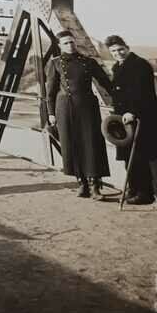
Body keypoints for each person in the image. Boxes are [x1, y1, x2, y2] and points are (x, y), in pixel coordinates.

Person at [46, 30, 113, 197]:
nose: (70, 45)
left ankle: (95, 185)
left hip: (87, 107)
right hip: (64, 108)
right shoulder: (55, 63)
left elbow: (106, 83)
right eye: (66, 43)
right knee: (71, 144)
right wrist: (51, 113)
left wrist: (123, 100)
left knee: (92, 144)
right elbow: (50, 92)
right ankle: (81, 182)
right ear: (60, 46)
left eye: (72, 42)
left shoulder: (88, 62)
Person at [106, 34, 157, 205]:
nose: (118, 53)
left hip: (139, 117)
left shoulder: (140, 65)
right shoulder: (117, 66)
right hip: (123, 119)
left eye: (120, 49)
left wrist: (133, 111)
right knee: (129, 157)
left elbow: (143, 93)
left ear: (127, 47)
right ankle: (133, 189)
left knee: (139, 156)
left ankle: (145, 193)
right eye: (113, 51)